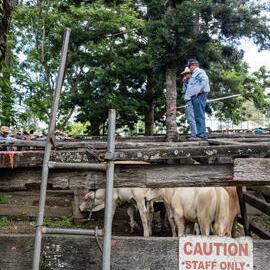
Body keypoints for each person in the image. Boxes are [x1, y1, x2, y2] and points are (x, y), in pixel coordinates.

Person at [185, 58, 210, 138]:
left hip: (199, 96)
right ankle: (199, 133)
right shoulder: (194, 74)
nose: (189, 68)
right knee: (197, 115)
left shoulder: (199, 71)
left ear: (193, 65)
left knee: (199, 115)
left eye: (189, 67)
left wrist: (199, 90)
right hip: (195, 97)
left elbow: (205, 80)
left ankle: (202, 133)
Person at [181, 66, 197, 137]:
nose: (185, 75)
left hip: (191, 100)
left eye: (186, 74)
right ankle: (195, 133)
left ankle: (194, 134)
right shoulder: (186, 83)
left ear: (190, 74)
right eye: (184, 74)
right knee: (190, 118)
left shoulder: (193, 81)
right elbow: (184, 91)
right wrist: (184, 83)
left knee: (191, 118)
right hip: (188, 101)